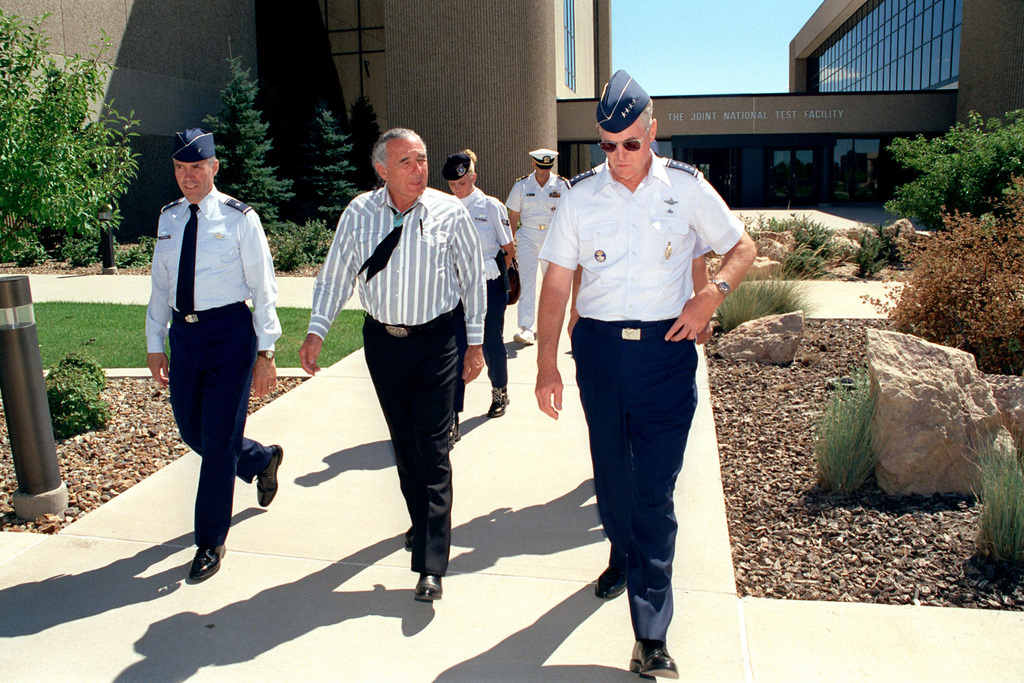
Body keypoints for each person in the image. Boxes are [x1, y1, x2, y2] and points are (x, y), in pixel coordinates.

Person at [534, 71, 756, 678]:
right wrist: (546, 363)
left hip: (665, 353)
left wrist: (712, 295)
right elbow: (556, 281)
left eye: (630, 144)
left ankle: (651, 633)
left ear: (652, 132)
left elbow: (741, 247)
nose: (619, 158)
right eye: (606, 145)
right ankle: (620, 547)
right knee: (613, 477)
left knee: (654, 492)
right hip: (601, 354)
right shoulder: (580, 196)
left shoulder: (685, 188)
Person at [299, 128, 486, 602]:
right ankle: (421, 523)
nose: (418, 169)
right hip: (384, 344)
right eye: (405, 161)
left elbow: (473, 282)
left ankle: (430, 563)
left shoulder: (450, 212)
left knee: (433, 447)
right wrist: (317, 330)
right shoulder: (359, 213)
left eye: (421, 159)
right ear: (381, 169)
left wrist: (476, 343)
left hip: (437, 342)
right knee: (405, 447)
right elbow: (337, 272)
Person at [146, 127, 284, 584]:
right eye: (181, 169)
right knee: (193, 430)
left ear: (214, 167)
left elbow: (264, 288)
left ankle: (209, 541)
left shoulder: (240, 218)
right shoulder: (168, 218)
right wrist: (155, 343)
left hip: (229, 335)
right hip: (184, 338)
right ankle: (261, 459)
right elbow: (161, 287)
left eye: (197, 167)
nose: (188, 177)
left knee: (218, 443)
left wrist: (267, 351)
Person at [442, 150, 515, 439]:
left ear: (473, 176)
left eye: (462, 182)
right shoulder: (443, 208)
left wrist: (497, 278)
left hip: (488, 284)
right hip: (455, 287)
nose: (457, 189)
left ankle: (500, 391)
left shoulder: (491, 207)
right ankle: (452, 416)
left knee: (490, 343)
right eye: (452, 185)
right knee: (457, 348)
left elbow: (508, 249)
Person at [504, 148, 569, 345]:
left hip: (552, 237)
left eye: (547, 168)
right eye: (541, 168)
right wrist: (510, 246)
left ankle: (549, 326)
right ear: (534, 164)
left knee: (552, 285)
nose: (544, 172)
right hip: (528, 237)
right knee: (527, 282)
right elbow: (513, 216)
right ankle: (526, 328)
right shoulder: (522, 185)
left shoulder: (562, 185)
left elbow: (568, 215)